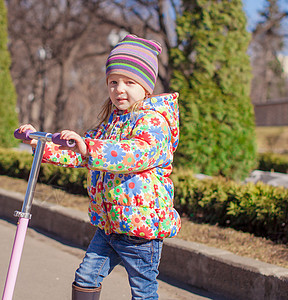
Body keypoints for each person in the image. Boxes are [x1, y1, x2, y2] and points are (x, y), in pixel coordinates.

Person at [17, 34, 181, 300]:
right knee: (85, 277)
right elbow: (81, 153)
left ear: (146, 87)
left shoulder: (154, 122)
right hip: (109, 225)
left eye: (129, 82)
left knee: (143, 291)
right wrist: (41, 145)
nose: (119, 89)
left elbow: (135, 154)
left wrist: (89, 148)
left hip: (141, 231)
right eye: (113, 82)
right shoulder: (111, 123)